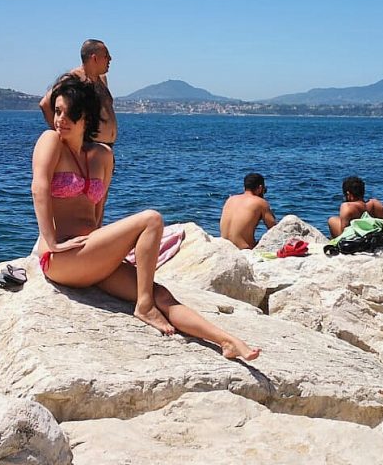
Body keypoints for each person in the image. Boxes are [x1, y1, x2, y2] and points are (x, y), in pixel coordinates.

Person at [32, 75, 260, 360]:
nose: (60, 120)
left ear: (86, 117)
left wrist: (110, 253)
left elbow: (97, 213)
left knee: (160, 294)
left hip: (90, 256)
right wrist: (51, 241)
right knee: (151, 219)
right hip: (61, 258)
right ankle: (143, 307)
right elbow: (39, 188)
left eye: (69, 113)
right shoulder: (51, 141)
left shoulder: (102, 155)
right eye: (57, 111)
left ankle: (227, 341)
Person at [39, 39, 118, 146]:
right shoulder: (74, 78)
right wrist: (64, 137)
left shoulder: (102, 80)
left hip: (107, 148)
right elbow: (45, 104)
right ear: (94, 58)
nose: (110, 59)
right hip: (89, 147)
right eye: (106, 56)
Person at [219, 173, 277, 249]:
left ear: (244, 187)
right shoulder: (260, 202)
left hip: (224, 248)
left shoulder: (230, 199)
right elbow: (274, 229)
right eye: (264, 190)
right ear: (260, 188)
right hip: (244, 249)